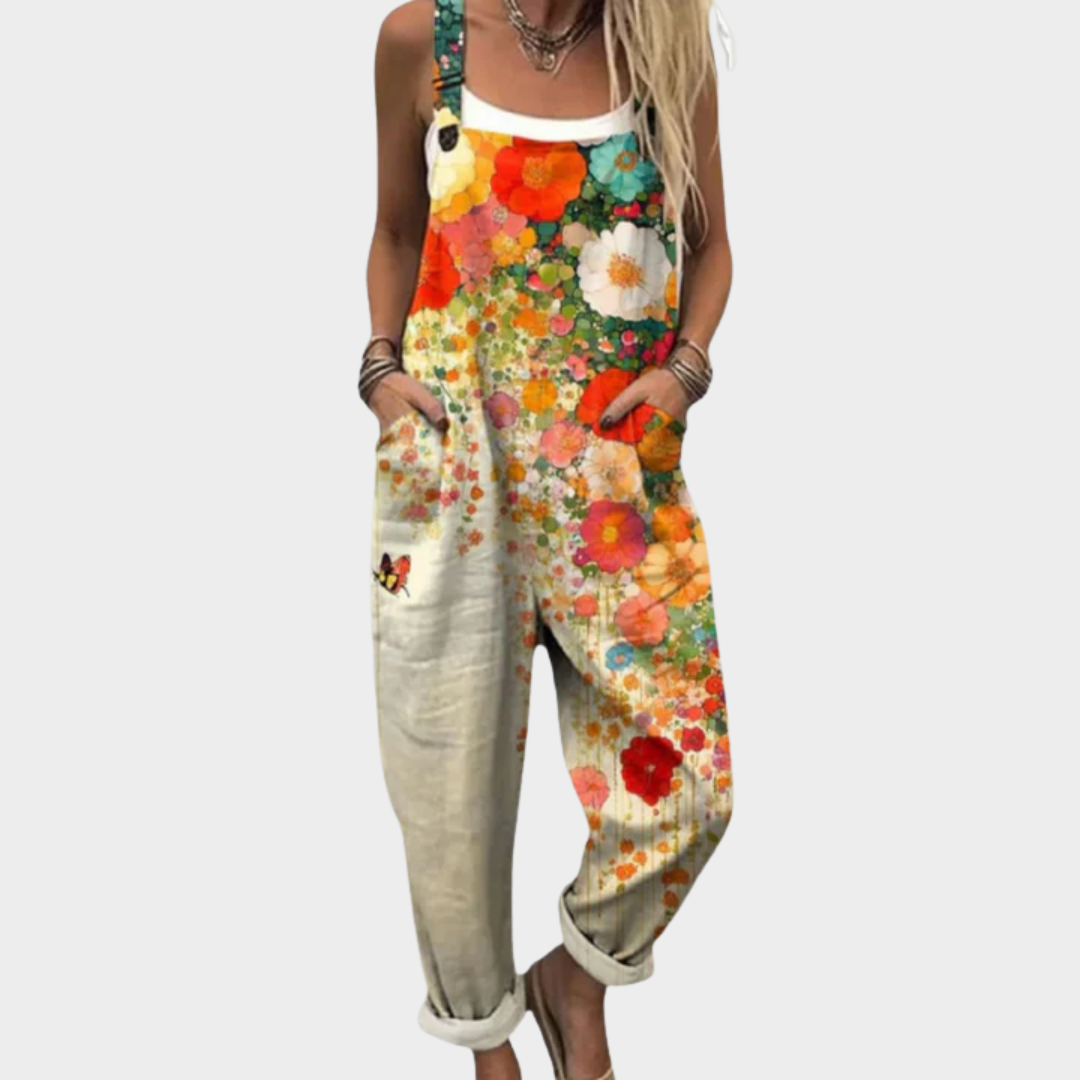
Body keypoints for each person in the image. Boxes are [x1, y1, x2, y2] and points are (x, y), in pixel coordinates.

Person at [361, 2, 734, 1077]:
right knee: (448, 785)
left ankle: (575, 978)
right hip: (454, 469)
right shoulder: (421, 41)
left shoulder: (662, 47)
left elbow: (711, 245)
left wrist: (685, 372)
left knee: (690, 785)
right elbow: (396, 232)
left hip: (614, 477)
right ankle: (488, 1046)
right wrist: (379, 371)